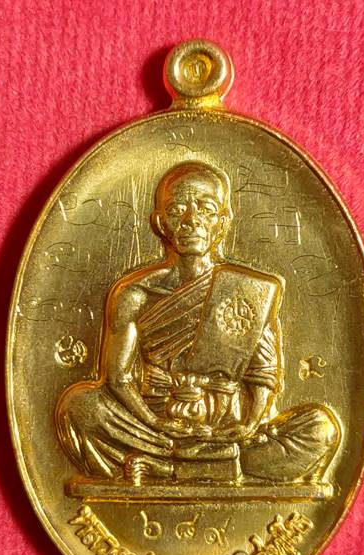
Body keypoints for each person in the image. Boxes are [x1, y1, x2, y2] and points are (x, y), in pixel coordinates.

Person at [56, 161, 340, 485]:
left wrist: (248, 424)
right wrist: (155, 422)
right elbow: (118, 378)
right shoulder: (135, 295)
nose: (191, 220)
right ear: (161, 223)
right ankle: (207, 464)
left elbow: (263, 373)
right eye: (178, 210)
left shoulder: (249, 291)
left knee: (320, 428)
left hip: (228, 427)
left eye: (205, 209)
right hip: (156, 427)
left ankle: (169, 468)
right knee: (79, 407)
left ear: (222, 222)